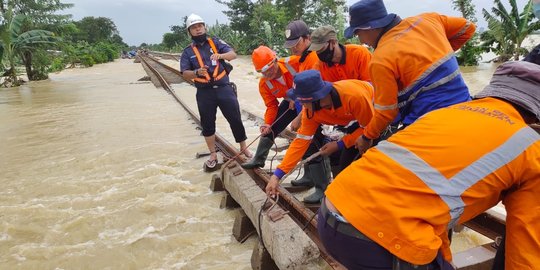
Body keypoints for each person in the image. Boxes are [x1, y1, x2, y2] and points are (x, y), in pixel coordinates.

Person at [317, 61, 540, 269]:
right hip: (377, 239)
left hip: (331, 211)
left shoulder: (447, 112)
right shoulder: (531, 148)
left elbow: (427, 196)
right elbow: (525, 248)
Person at [345, 0, 476, 154]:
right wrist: (440, 49)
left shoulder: (380, 60)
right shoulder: (428, 20)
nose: (361, 41)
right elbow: (468, 28)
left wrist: (366, 137)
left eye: (358, 33)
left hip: (428, 124)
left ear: (369, 28)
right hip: (464, 103)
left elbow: (386, 112)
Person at [265, 70, 375, 203]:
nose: (302, 107)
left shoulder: (354, 97)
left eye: (302, 102)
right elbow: (300, 142)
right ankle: (341, 198)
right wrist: (277, 175)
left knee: (364, 161)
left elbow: (370, 128)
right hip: (350, 120)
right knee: (341, 164)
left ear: (315, 99)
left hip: (375, 116)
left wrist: (340, 144)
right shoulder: (311, 112)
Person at [180, 13, 251, 168]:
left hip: (224, 88)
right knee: (207, 124)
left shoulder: (216, 42)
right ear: (189, 32)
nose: (198, 29)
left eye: (200, 26)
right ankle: (213, 154)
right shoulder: (187, 52)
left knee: (235, 119)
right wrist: (196, 72)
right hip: (205, 92)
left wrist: (220, 55)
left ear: (204, 27)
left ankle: (243, 148)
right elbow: (184, 74)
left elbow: (233, 54)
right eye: (193, 27)